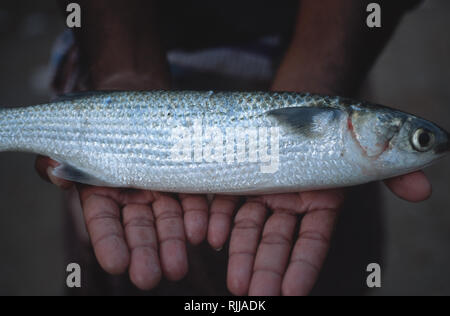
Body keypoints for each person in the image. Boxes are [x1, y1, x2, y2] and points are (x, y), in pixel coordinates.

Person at [35, 0, 426, 295]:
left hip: (332, 53)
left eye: (419, 142)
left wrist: (322, 72)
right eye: (418, 140)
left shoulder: (344, 138)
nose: (413, 147)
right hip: (106, 43)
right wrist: (122, 71)